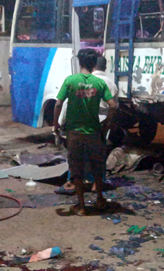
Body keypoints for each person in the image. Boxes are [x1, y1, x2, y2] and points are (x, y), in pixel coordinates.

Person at [53, 49, 117, 215]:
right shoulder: (99, 83)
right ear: (94, 63)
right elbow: (113, 105)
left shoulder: (70, 81)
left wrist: (56, 125)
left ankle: (81, 206)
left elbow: (58, 104)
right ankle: (100, 199)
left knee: (77, 168)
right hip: (94, 132)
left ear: (79, 62)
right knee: (97, 166)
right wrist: (106, 126)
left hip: (74, 133)